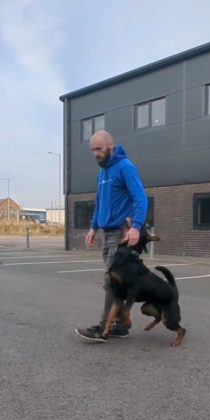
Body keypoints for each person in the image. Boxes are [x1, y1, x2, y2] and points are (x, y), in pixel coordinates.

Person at [74, 130, 148, 342]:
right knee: (115, 281)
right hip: (107, 234)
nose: (95, 154)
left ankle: (103, 328)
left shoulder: (125, 167)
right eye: (93, 150)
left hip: (121, 234)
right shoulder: (103, 173)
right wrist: (93, 227)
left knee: (111, 281)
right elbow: (100, 203)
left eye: (99, 149)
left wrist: (136, 226)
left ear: (110, 146)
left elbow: (141, 198)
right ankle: (122, 324)